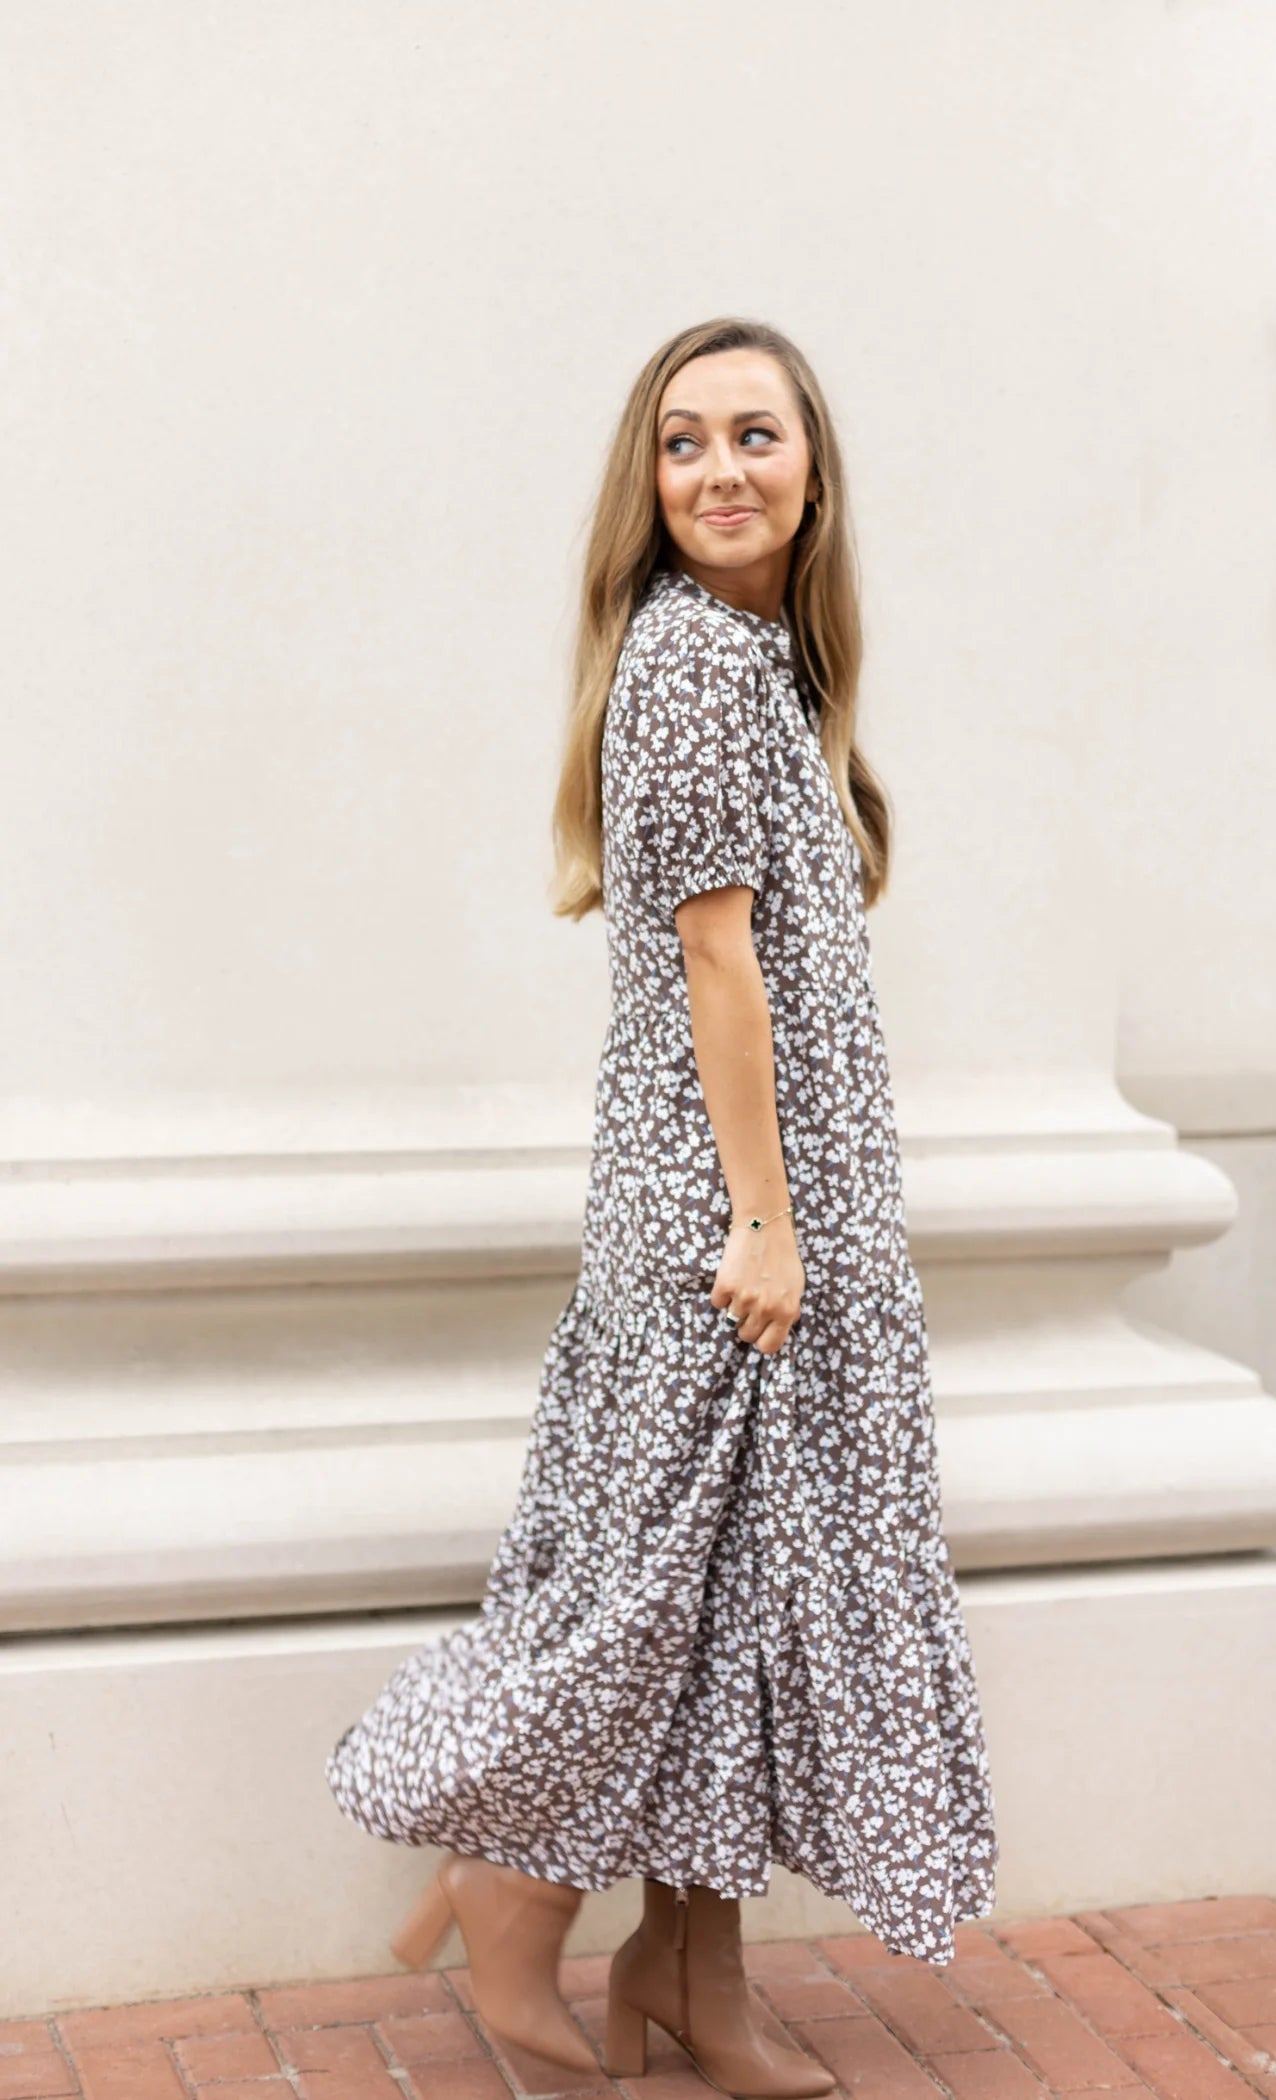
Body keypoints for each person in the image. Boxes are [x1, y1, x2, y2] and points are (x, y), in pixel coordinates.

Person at [323, 316, 999, 2094]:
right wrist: (768, 1222)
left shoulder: (760, 664)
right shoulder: (695, 665)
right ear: (649, 483)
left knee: (737, 1602)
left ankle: (688, 1982)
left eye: (753, 436)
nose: (719, 471)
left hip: (781, 1215)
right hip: (730, 1224)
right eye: (682, 443)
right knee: (650, 1582)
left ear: (813, 468)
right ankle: (503, 1880)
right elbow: (717, 965)